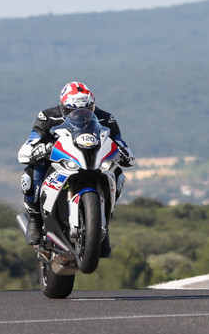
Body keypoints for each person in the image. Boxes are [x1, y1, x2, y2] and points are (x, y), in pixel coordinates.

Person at [17, 81, 132, 245]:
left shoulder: (106, 118)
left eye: (86, 110)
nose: (79, 114)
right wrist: (37, 150)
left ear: (92, 106)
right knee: (31, 173)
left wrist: (124, 153)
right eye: (73, 111)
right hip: (60, 160)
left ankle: (103, 217)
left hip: (93, 159)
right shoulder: (48, 116)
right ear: (63, 107)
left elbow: (120, 142)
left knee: (117, 174)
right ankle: (35, 219)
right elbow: (31, 143)